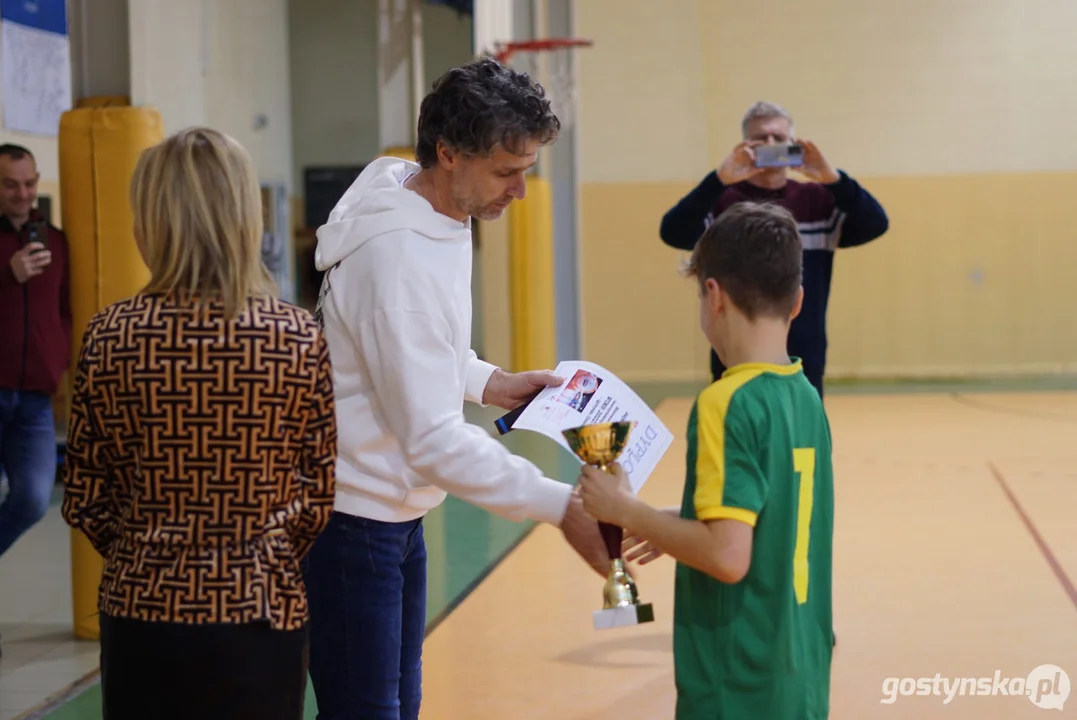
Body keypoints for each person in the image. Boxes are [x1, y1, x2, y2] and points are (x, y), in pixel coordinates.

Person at [306, 57, 608, 719]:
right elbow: (430, 439)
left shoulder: (399, 182)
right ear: (447, 153)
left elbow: (401, 351)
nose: (519, 192)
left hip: (395, 511)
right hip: (355, 520)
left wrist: (488, 381)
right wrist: (561, 506)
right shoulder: (399, 259)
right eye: (507, 172)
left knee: (400, 701)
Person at [61, 127, 337, 720]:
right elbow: (317, 497)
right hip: (261, 610)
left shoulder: (110, 336)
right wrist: (250, 554)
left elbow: (85, 496)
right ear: (245, 219)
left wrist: (150, 552)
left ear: (150, 223)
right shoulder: (294, 335)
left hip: (142, 612)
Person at [580, 202, 835, 719]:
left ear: (713, 296)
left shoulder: (726, 402)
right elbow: (765, 523)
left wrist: (625, 512)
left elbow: (726, 557)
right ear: (798, 301)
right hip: (800, 672)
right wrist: (672, 521)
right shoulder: (805, 395)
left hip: (737, 682)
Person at [659, 101, 889, 397]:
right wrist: (718, 180)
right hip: (733, 355)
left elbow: (875, 223)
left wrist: (833, 179)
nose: (770, 144)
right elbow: (673, 231)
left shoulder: (818, 201)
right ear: (746, 145)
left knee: (801, 441)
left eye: (778, 138)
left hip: (805, 357)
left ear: (793, 144)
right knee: (735, 435)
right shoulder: (721, 202)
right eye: (760, 138)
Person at [0, 143, 71, 560]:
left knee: (31, 499)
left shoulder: (56, 241)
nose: (23, 194)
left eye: (29, 183)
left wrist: (57, 356)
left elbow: (64, 309)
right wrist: (7, 275)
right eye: (10, 185)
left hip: (35, 400)